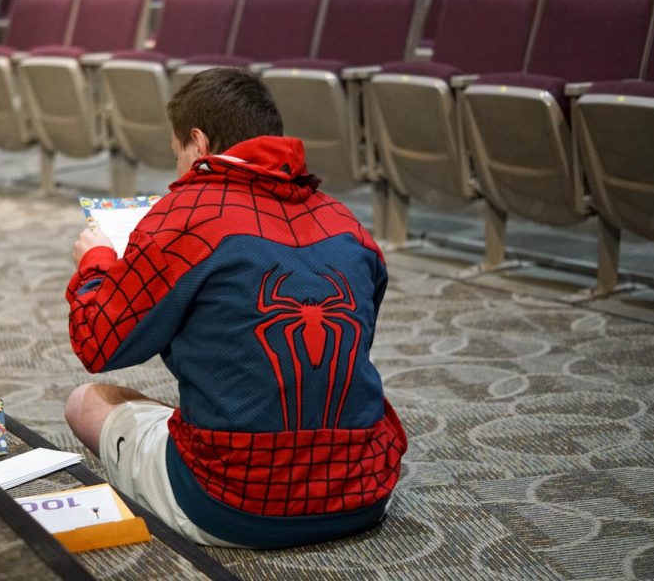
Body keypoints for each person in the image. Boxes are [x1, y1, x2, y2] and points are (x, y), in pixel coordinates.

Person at [64, 68, 406, 549]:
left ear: (198, 144)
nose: (178, 172)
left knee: (86, 401)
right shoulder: (346, 221)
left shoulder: (185, 214)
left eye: (177, 154)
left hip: (229, 503)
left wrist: (97, 264)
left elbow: (99, 343)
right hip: (365, 491)